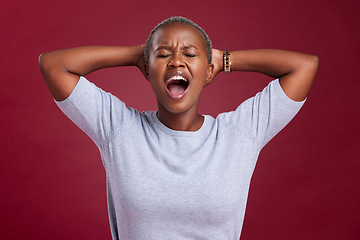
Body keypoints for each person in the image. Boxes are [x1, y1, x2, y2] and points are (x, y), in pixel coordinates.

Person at [39, 16, 319, 240]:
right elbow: (54, 65)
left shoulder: (239, 133)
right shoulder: (120, 129)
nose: (176, 61)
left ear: (208, 71)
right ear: (147, 69)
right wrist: (139, 54)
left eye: (189, 54)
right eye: (163, 55)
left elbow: (304, 66)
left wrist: (223, 60)